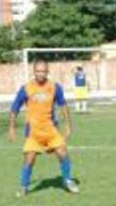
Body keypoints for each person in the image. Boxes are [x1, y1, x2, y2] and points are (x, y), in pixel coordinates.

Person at [8, 60, 79, 197]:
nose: (40, 74)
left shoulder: (54, 87)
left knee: (63, 153)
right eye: (38, 71)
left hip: (51, 130)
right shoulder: (26, 88)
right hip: (33, 132)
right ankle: (24, 187)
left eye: (43, 71)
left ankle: (67, 181)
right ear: (34, 72)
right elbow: (14, 108)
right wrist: (11, 128)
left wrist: (68, 125)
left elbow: (63, 106)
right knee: (29, 159)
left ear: (47, 72)